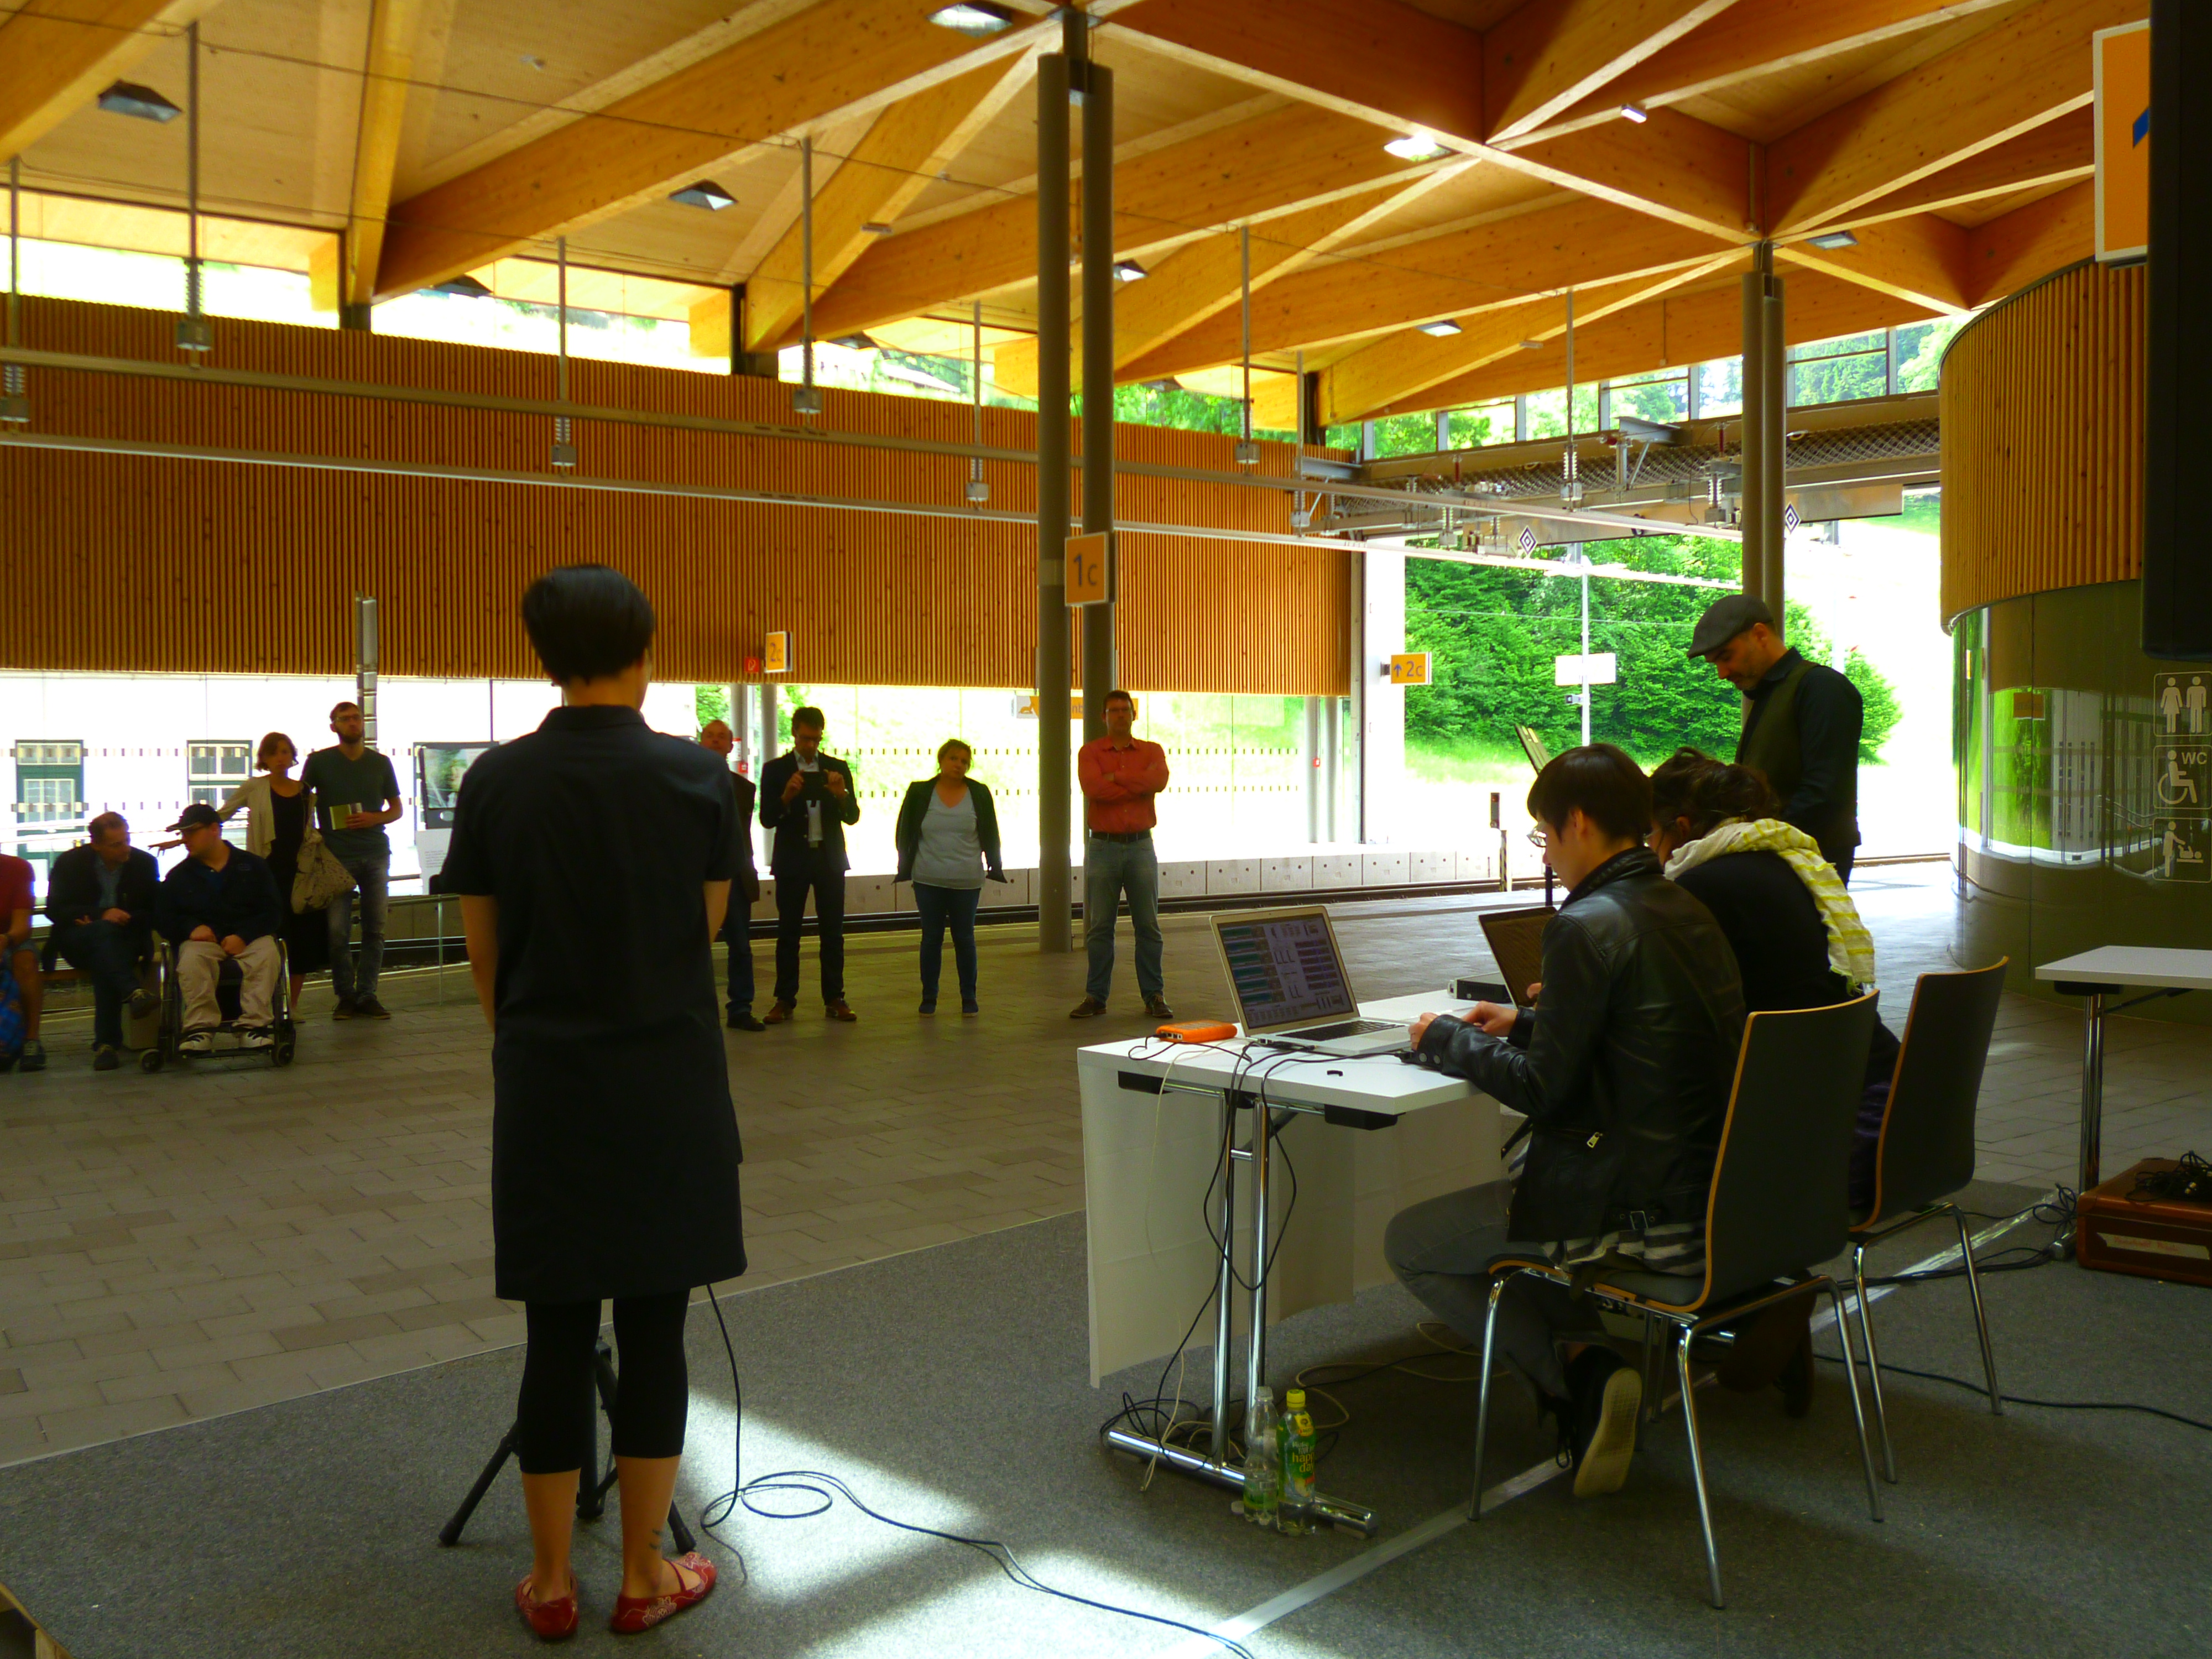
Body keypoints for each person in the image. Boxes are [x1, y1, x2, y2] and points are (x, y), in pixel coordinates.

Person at [445, 565, 740, 1638]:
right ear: (644, 649)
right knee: (656, 1333)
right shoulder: (699, 777)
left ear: (545, 657)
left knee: (556, 1336)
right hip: (667, 1087)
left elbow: (486, 958)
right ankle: (645, 1577)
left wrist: (537, 1046)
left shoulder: (495, 781)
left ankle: (551, 1580)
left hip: (547, 1087)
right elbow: (701, 932)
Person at [1383, 745, 1745, 1496]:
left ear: (1577, 823)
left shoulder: (1584, 923)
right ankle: (1586, 1356)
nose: (1545, 853)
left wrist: (1444, 1037)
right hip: (1711, 1193)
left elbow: (1544, 1092)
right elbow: (1635, 1035)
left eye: (1544, 835)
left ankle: (1581, 1377)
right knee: (1512, 1225)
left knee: (1411, 1244)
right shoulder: (1685, 906)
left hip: (1631, 1210)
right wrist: (1521, 1022)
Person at [1645, 748, 1900, 1411]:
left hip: (1829, 1155)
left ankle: (1754, 1303)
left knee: (1645, 1156)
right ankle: (1758, 1302)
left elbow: (1659, 1020)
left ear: (1679, 827)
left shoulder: (1702, 886)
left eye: (1651, 834)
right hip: (1894, 1124)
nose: (1649, 849)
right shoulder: (1790, 862)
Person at [1686, 593, 1864, 882]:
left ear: (1760, 635)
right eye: (1714, 663)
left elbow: (1825, 793)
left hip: (1808, 860)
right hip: (1784, 859)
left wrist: (1755, 844)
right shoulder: (1774, 691)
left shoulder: (1822, 687)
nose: (1721, 673)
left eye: (1726, 657)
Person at [198, 732, 331, 1011]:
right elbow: (221, 815)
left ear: (292, 756)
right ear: (265, 759)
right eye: (273, 753)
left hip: (301, 873)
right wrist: (190, 835)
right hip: (268, 873)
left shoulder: (304, 791)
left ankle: (291, 1006)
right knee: (270, 937)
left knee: (302, 941)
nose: (280, 758)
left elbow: (310, 830)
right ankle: (267, 1003)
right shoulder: (255, 787)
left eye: (285, 752)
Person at [1071, 690, 1173, 1021]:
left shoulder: (1152, 750)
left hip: (1141, 845)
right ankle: (1096, 997)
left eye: (1125, 710)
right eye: (1113, 710)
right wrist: (1137, 785)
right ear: (1104, 717)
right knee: (1100, 927)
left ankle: (1154, 995)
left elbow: (1159, 781)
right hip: (1103, 847)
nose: (1120, 715)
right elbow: (1093, 789)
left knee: (1149, 926)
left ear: (1133, 715)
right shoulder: (1090, 752)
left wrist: (1115, 778)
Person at [758, 706, 860, 1024]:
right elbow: (766, 819)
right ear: (794, 734)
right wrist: (786, 797)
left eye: (816, 739)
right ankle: (785, 999)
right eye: (805, 739)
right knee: (789, 931)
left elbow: (853, 816)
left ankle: (835, 997)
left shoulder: (836, 768)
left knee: (833, 932)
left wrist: (841, 795)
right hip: (793, 860)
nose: (810, 745)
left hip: (829, 859)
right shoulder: (776, 770)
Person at [301, 700, 403, 1020]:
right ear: (334, 726)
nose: (353, 723)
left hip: (375, 853)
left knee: (376, 928)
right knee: (337, 932)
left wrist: (375, 818)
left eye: (357, 718)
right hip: (335, 857)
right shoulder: (319, 762)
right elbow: (301, 802)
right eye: (345, 719)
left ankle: (367, 994)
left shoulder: (380, 763)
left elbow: (396, 809)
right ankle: (346, 996)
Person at [155, 804, 284, 1053]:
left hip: (249, 936)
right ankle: (199, 1029)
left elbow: (273, 912)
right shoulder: (179, 876)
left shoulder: (253, 866)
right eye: (183, 833)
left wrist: (244, 936)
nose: (185, 839)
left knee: (267, 953)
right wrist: (190, 928)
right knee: (191, 959)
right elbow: (163, 918)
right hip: (204, 940)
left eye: (192, 832)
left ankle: (254, 1026)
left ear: (214, 829)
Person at [894, 739, 1008, 1015]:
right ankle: (929, 997)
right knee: (931, 938)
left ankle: (969, 997)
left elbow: (990, 832)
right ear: (941, 760)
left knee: (965, 938)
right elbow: (905, 830)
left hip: (966, 881)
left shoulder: (978, 793)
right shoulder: (920, 792)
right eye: (954, 759)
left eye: (965, 761)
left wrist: (994, 865)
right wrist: (904, 863)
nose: (959, 765)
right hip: (928, 879)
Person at [44, 813, 160, 1071]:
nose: (125, 848)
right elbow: (55, 909)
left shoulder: (143, 863)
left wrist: (122, 918)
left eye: (127, 840)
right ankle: (132, 992)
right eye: (116, 845)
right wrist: (100, 916)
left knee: (105, 956)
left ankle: (107, 1046)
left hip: (126, 938)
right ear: (96, 845)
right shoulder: (70, 863)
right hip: (78, 940)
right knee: (103, 936)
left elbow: (154, 911)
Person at [698, 718, 764, 1031]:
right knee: (696, 945)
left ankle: (740, 1007)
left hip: (735, 874)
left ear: (730, 745)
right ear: (701, 742)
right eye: (709, 736)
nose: (715, 741)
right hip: (697, 875)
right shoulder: (686, 783)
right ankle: (697, 1008)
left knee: (740, 945)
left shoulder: (744, 789)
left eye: (720, 737)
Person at [1, 851, 46, 1071]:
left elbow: (22, 926)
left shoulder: (18, 869)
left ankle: (31, 1040)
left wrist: (5, 940)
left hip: (11, 938)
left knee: (26, 961)